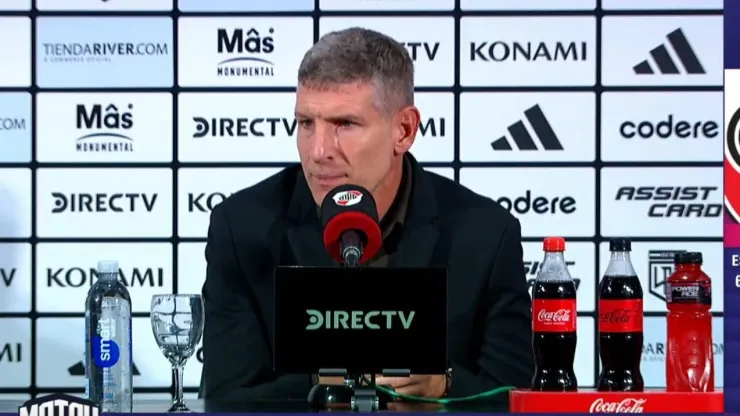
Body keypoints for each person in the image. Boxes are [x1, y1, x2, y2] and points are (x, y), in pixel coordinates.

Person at [199, 27, 534, 401]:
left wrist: (444, 386)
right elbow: (227, 398)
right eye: (307, 124)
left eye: (345, 124)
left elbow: (517, 397)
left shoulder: (486, 234)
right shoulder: (242, 227)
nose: (319, 151)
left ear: (404, 130)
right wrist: (328, 377)